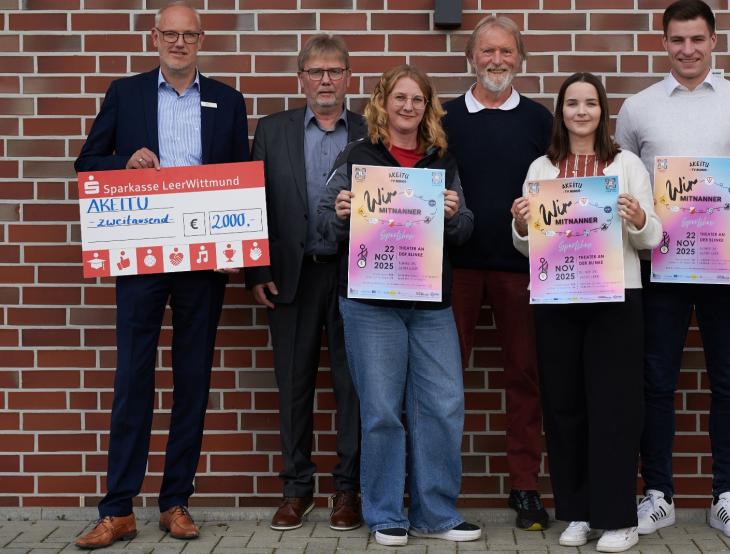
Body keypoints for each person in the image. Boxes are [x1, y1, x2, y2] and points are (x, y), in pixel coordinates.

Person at [73, 2, 248, 549]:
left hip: (201, 258)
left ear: (201, 39)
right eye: (169, 34)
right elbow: (87, 163)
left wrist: (240, 248)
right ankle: (117, 508)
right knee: (133, 378)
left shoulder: (228, 100)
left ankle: (175, 501)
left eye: (188, 35)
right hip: (142, 252)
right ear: (154, 38)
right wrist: (124, 162)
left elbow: (240, 180)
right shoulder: (124, 94)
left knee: (192, 378)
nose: (178, 43)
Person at [614, 0, 730, 539]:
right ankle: (657, 494)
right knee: (656, 380)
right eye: (677, 40)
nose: (687, 50)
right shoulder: (637, 108)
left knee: (729, 380)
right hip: (658, 263)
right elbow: (623, 177)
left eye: (697, 39)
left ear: (713, 40)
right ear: (663, 43)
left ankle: (726, 495)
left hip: (727, 260)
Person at [320, 65, 480, 547]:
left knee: (444, 404)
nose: (408, 107)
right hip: (371, 304)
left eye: (417, 100)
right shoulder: (356, 156)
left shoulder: (442, 162)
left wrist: (453, 217)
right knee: (383, 410)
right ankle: (386, 513)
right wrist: (344, 215)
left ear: (427, 108)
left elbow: (466, 226)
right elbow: (325, 223)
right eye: (400, 98)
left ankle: (436, 513)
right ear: (382, 103)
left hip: (430, 302)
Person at [511, 73, 660, 552]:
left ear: (602, 111)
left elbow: (653, 236)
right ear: (561, 112)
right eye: (572, 103)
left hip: (615, 298)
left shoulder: (628, 164)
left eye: (590, 103)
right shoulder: (541, 168)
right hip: (557, 299)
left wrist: (638, 218)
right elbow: (528, 245)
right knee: (564, 407)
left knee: (614, 408)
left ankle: (619, 518)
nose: (581, 111)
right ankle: (576, 512)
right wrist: (519, 224)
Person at [245, 34, 365, 532]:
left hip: (354, 275)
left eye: (334, 71)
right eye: (315, 71)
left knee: (352, 387)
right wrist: (256, 270)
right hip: (290, 278)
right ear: (300, 78)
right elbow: (252, 203)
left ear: (348, 78)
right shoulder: (271, 132)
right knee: (293, 386)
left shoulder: (368, 131)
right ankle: (296, 490)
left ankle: (346, 491)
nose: (325, 80)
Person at [442, 15, 554, 531]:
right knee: (442, 383)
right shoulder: (442, 119)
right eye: (487, 52)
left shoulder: (539, 120)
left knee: (525, 379)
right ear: (471, 58)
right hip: (453, 267)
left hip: (522, 268)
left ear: (520, 59)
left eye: (507, 52)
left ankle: (526, 488)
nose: (496, 61)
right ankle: (435, 490)